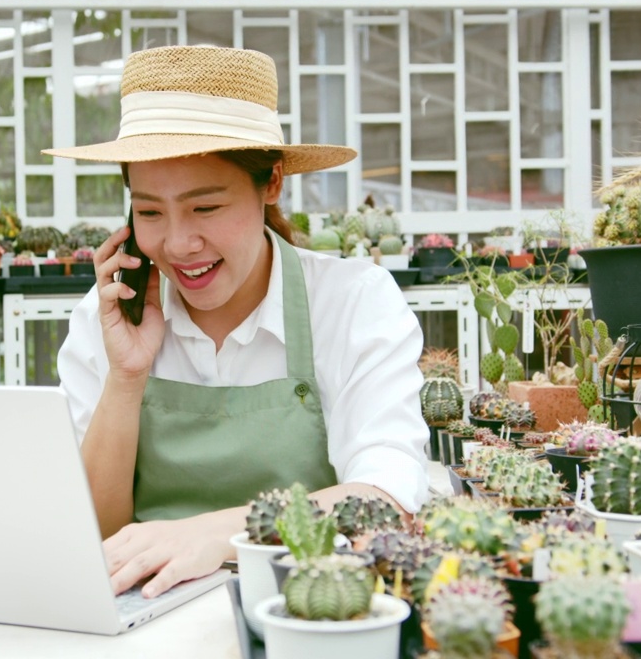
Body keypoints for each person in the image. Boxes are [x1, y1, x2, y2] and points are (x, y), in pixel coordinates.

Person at [45, 45, 429, 601]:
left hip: (306, 612)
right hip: (141, 621)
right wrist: (125, 378)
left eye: (206, 208)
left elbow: (385, 500)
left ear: (270, 182)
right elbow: (95, 535)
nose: (178, 243)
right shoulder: (104, 317)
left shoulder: (350, 303)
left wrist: (218, 534)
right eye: (149, 211)